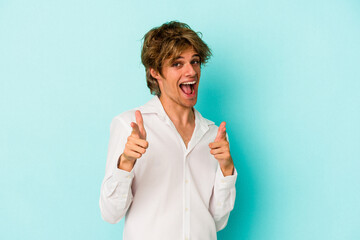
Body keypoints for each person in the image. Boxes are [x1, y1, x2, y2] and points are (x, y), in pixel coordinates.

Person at [99, 21, 237, 240]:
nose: (191, 71)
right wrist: (125, 163)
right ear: (155, 72)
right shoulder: (129, 126)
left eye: (195, 61)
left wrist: (227, 170)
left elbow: (217, 221)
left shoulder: (214, 134)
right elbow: (110, 213)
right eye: (177, 64)